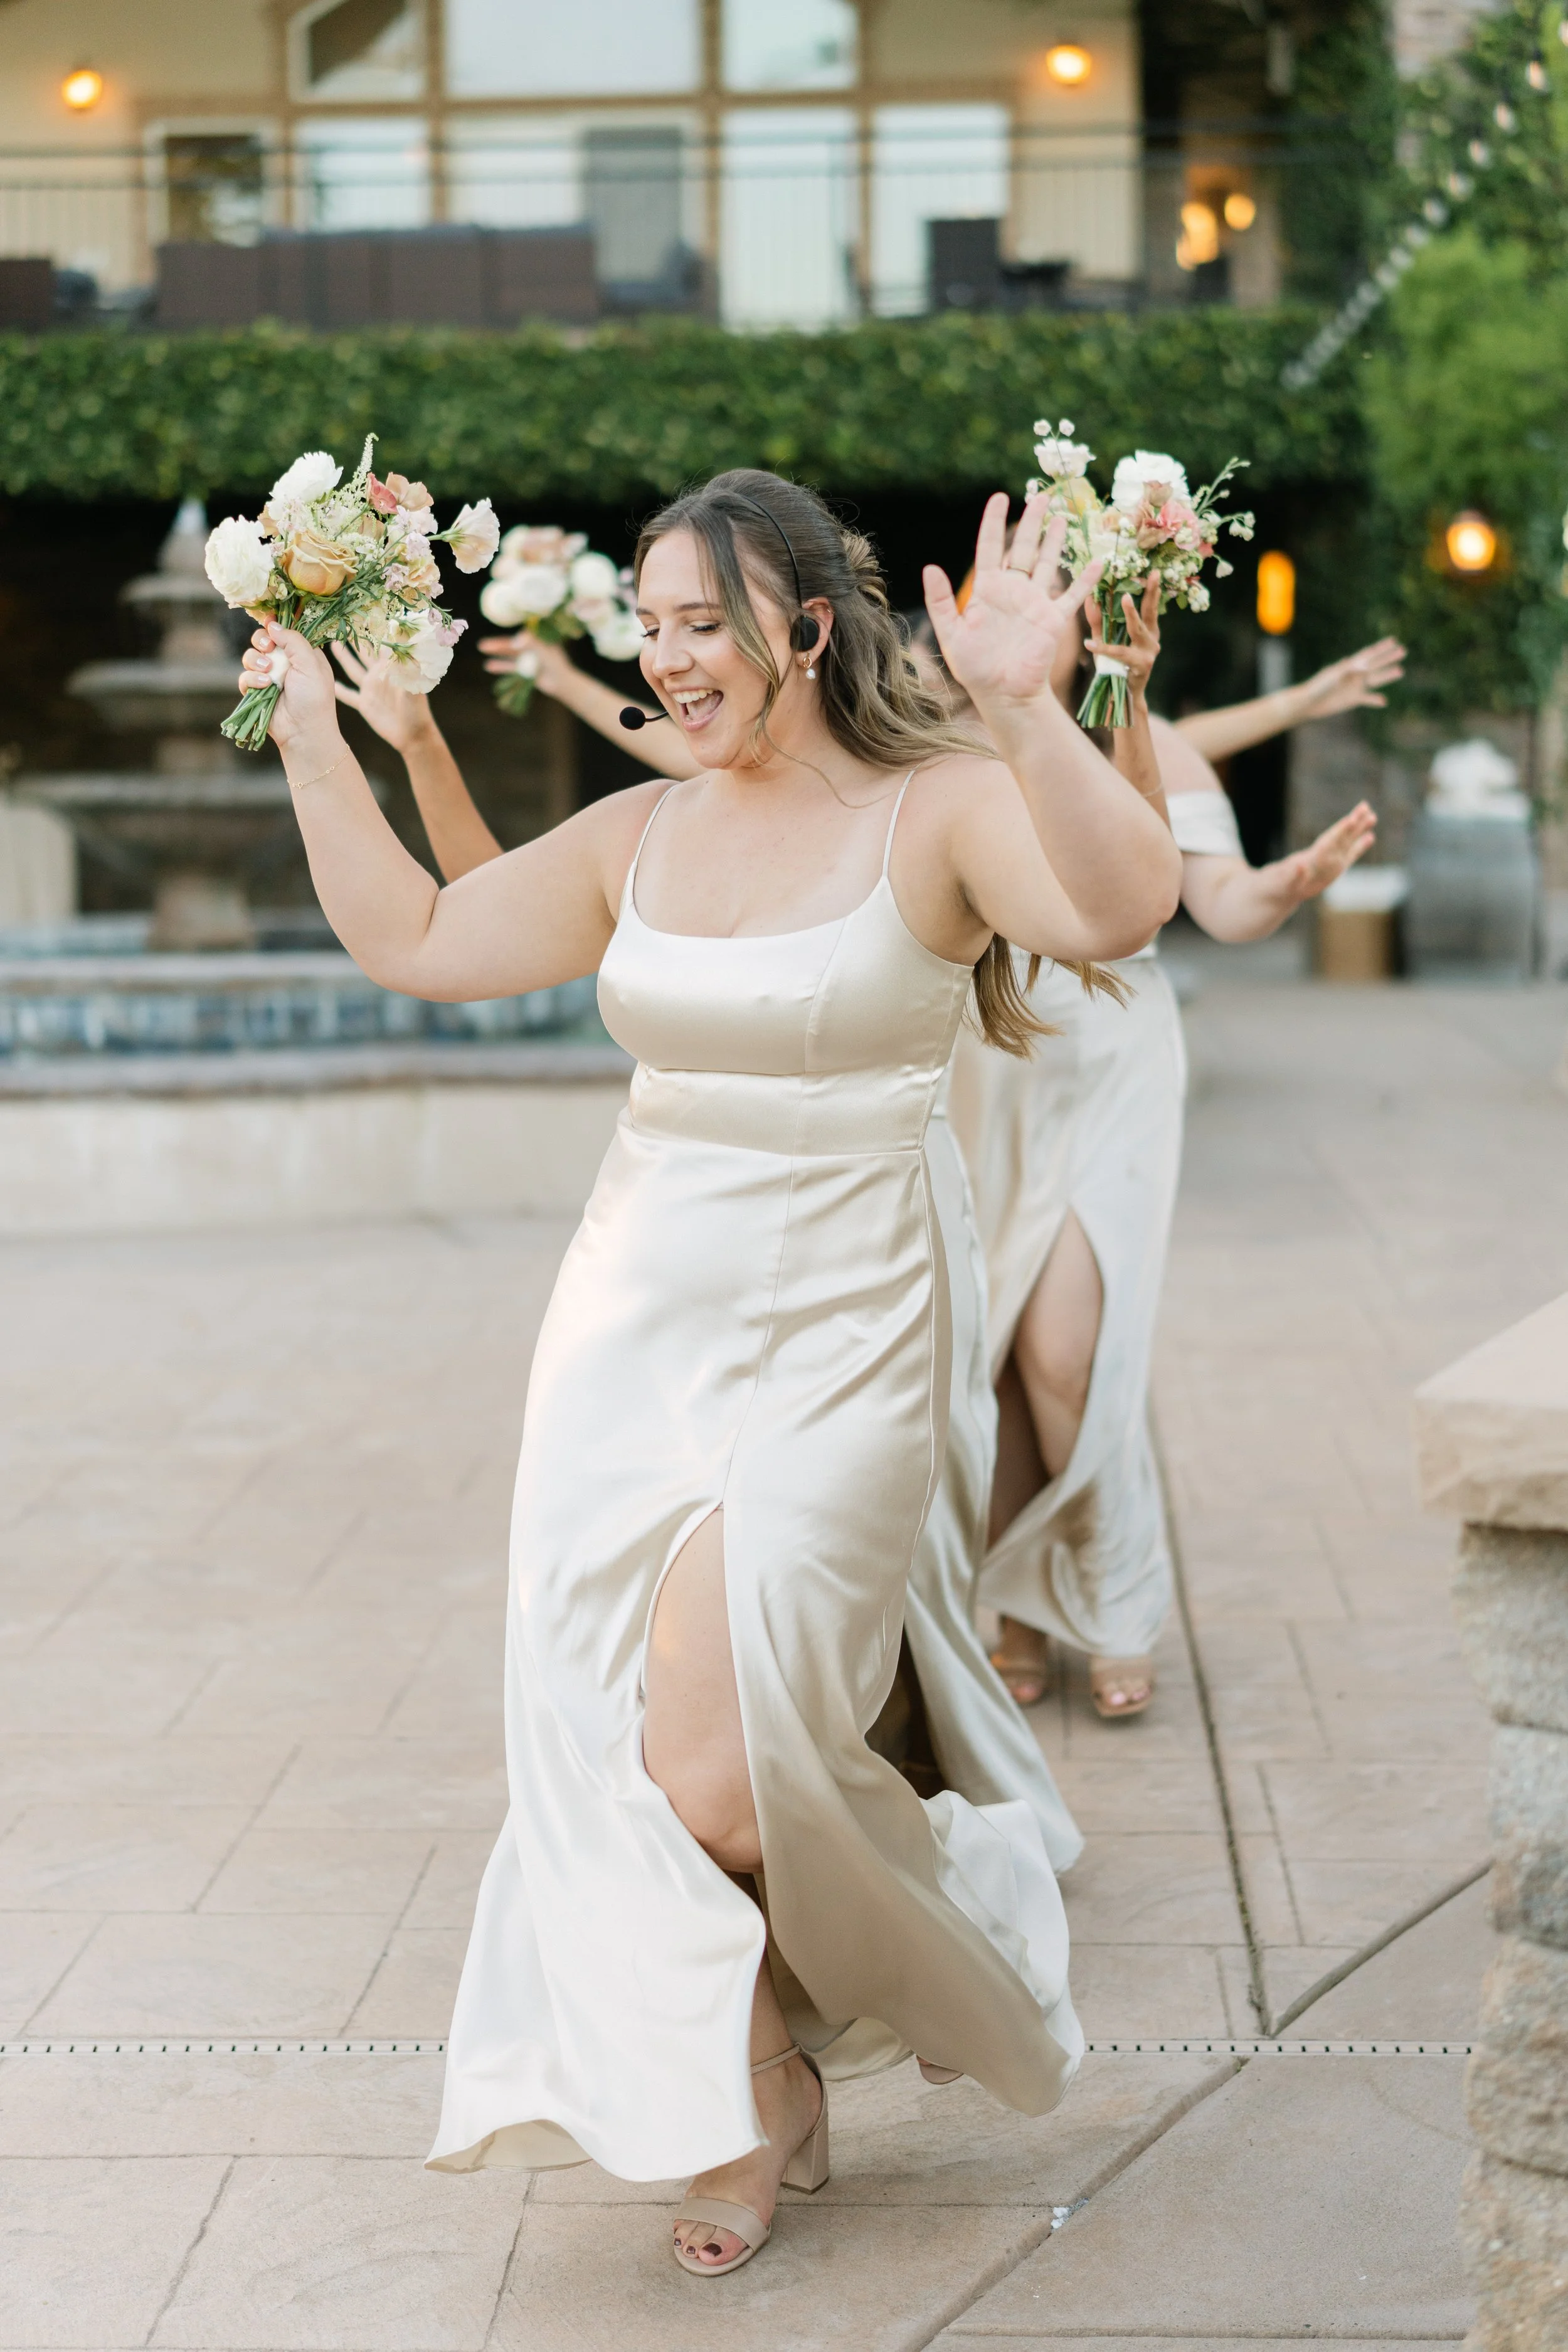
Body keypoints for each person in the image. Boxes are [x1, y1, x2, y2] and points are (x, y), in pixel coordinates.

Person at [240, 470, 1180, 2278]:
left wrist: (1026, 697)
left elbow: (1117, 910)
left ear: (806, 629)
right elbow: (422, 941)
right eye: (651, 625)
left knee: (727, 1775)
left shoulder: (943, 810)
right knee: (665, 1766)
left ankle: (878, 1962)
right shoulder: (639, 837)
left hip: (848, 1338)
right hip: (624, 1337)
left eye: (701, 623)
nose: (666, 658)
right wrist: (304, 732)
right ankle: (757, 2076)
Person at [957, 638, 1398, 1715]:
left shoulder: (1148, 744)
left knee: (1062, 1351)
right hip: (986, 1072)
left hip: (1111, 1067)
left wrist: (1288, 884)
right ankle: (1018, 1610)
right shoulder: (943, 748)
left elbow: (1219, 904)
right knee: (995, 1355)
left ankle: (1115, 1595)